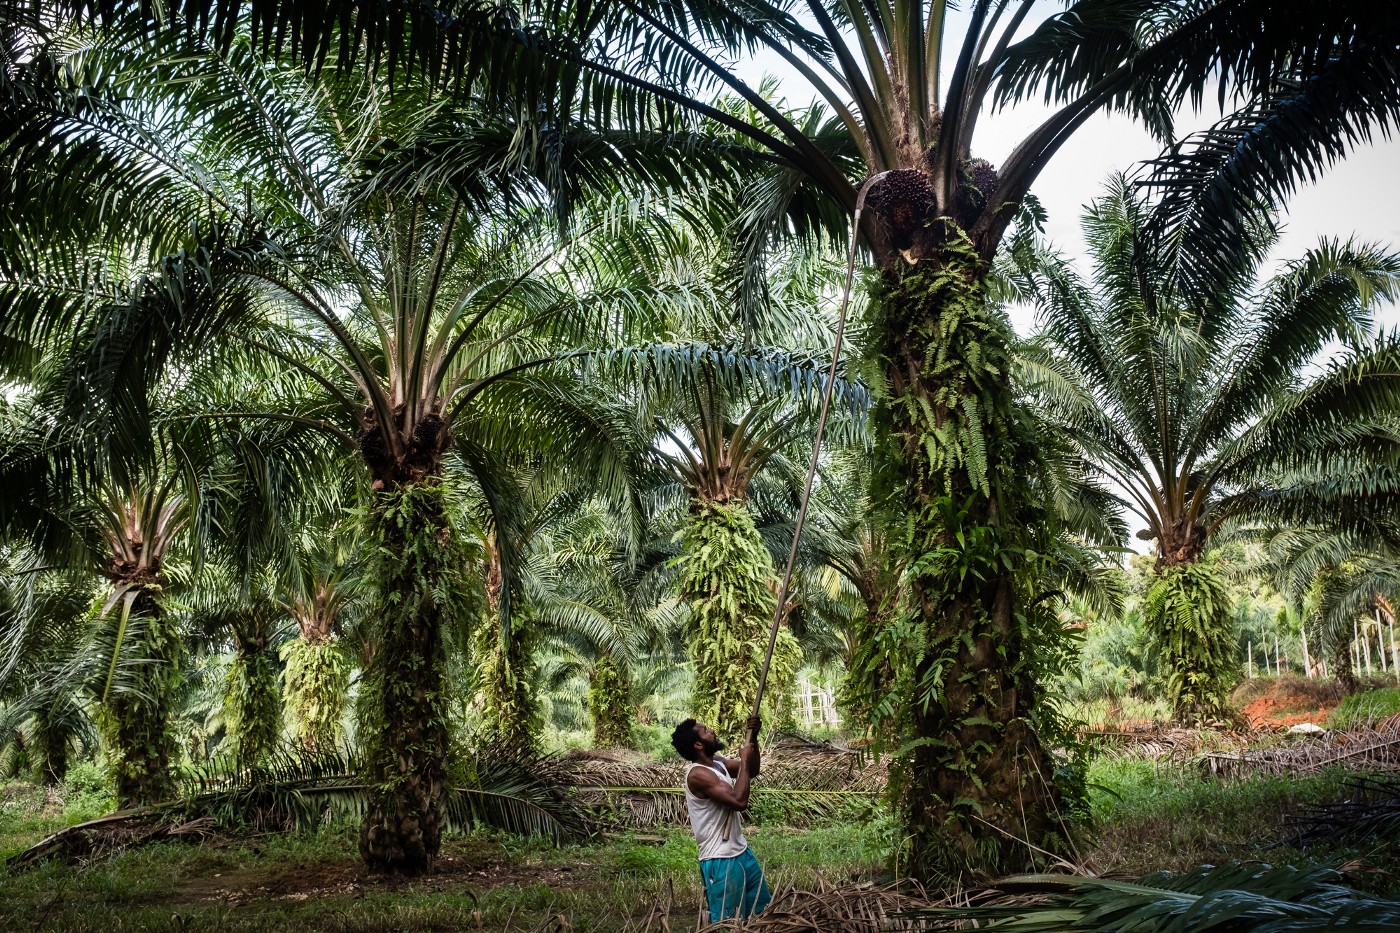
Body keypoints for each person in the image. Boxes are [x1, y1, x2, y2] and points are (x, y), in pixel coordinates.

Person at [671, 715, 771, 923]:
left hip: (741, 851)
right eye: (705, 731)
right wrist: (744, 760)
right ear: (698, 744)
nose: (712, 731)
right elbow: (739, 800)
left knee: (762, 914)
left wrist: (753, 738)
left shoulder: (718, 763)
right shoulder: (698, 775)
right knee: (728, 923)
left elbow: (751, 771)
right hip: (720, 859)